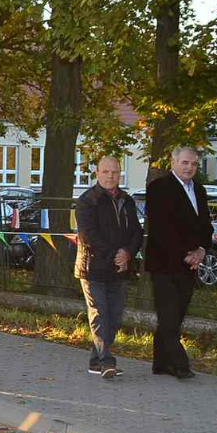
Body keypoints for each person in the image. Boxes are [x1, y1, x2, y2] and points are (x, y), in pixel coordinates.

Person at [145, 146, 213, 380]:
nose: (189, 168)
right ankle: (179, 364)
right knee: (169, 315)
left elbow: (206, 225)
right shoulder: (158, 188)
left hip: (190, 265)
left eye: (194, 164)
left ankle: (160, 363)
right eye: (185, 163)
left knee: (176, 315)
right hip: (164, 263)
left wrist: (202, 250)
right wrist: (185, 253)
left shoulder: (200, 190)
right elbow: (161, 229)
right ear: (173, 162)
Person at [75, 155, 144, 379]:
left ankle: (95, 361)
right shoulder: (87, 200)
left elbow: (136, 232)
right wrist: (115, 253)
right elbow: (89, 235)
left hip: (120, 269)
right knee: (100, 315)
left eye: (114, 172)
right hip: (93, 267)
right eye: (105, 171)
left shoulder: (127, 200)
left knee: (114, 317)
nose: (110, 176)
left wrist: (128, 253)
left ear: (120, 174)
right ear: (97, 173)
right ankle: (106, 362)